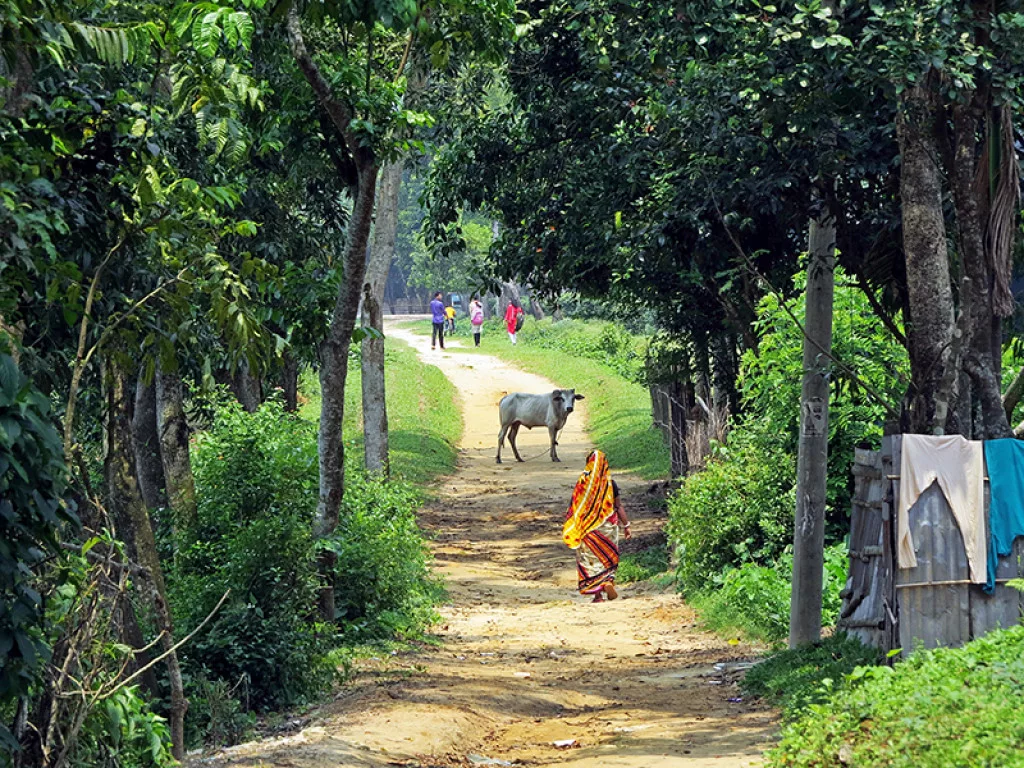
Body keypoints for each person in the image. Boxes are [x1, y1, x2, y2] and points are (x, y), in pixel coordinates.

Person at [562, 450, 631, 603]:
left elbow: (575, 507)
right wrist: (626, 525)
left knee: (589, 560)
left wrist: (571, 525)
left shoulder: (583, 483)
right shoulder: (610, 483)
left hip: (588, 529)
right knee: (607, 558)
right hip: (608, 528)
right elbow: (618, 506)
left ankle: (597, 595)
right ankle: (607, 581)